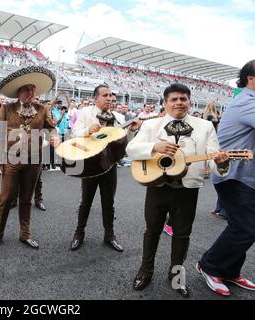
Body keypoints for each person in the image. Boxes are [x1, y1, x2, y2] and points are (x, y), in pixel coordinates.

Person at [126, 83, 229, 298]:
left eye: (183, 98)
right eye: (174, 99)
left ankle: (176, 277)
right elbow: (131, 149)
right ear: (165, 103)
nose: (179, 103)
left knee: (182, 234)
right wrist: (154, 147)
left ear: (189, 102)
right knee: (152, 231)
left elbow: (212, 159)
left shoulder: (205, 126)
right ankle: (145, 271)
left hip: (187, 189)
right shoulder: (152, 125)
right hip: (156, 186)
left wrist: (220, 163)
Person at [197, 60, 255, 296]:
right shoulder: (247, 102)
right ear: (252, 78)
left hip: (245, 176)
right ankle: (209, 265)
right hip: (233, 175)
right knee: (246, 227)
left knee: (243, 226)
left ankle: (230, 271)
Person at [0, 66, 60, 250]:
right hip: (11, 161)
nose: (31, 92)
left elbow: (51, 127)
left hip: (34, 162)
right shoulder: (7, 108)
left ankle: (25, 234)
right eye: (27, 89)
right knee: (5, 199)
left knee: (27, 199)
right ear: (19, 92)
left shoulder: (42, 109)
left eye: (33, 89)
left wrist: (54, 135)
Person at [69, 84, 140, 253]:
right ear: (95, 98)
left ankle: (110, 235)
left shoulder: (118, 117)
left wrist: (132, 131)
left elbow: (124, 142)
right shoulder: (86, 113)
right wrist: (88, 130)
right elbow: (73, 135)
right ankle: (79, 234)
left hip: (110, 165)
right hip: (91, 164)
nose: (109, 98)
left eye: (111, 95)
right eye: (105, 95)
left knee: (109, 203)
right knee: (86, 201)